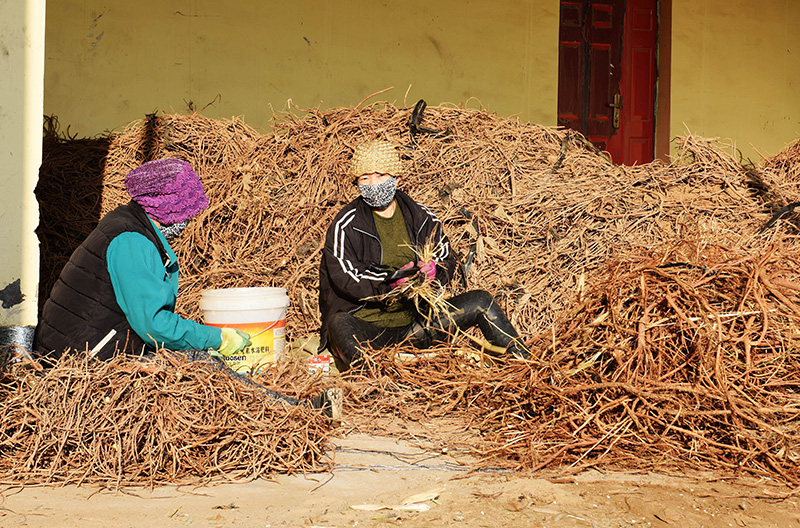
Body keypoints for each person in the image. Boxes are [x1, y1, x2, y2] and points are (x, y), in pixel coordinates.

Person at [36, 158, 341, 420]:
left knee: (197, 360)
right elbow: (153, 325)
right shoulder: (132, 241)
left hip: (89, 344)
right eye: (186, 213)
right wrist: (217, 338)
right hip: (83, 360)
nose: (189, 220)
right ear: (168, 208)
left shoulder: (129, 225)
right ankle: (295, 413)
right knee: (204, 365)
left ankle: (289, 408)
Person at [319, 140, 530, 370]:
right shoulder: (345, 225)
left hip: (417, 325)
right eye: (365, 179)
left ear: (396, 178)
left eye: (381, 176)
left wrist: (434, 273)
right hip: (369, 330)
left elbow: (446, 258)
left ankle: (525, 365)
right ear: (356, 183)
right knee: (338, 324)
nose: (374, 184)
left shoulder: (421, 217)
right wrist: (390, 283)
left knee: (481, 301)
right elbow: (345, 277)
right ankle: (378, 379)